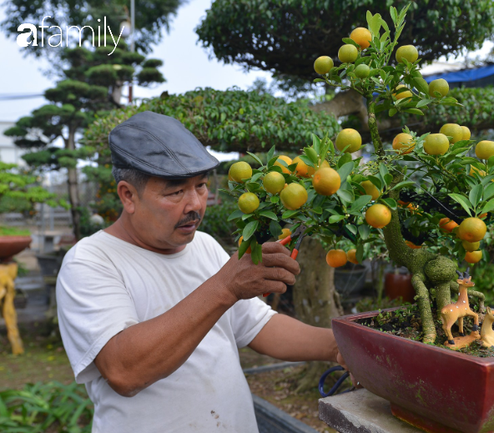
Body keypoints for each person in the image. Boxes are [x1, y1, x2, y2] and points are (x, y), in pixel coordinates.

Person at [56, 111, 347, 432]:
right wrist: (226, 286)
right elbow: (126, 371)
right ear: (128, 195)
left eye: (201, 186)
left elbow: (257, 326)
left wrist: (342, 347)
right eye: (175, 191)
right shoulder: (91, 261)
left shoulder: (205, 245)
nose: (195, 203)